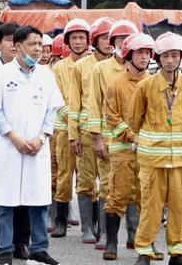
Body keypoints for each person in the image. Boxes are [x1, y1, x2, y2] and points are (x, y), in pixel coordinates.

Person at [0, 26, 65, 265]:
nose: (38, 49)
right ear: (18, 47)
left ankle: (39, 250)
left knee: (39, 199)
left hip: (37, 147)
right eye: (33, 44)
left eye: (40, 44)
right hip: (11, 146)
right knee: (6, 200)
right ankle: (5, 251)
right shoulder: (1, 73)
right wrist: (14, 137)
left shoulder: (46, 75)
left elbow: (53, 110)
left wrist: (42, 138)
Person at [127, 33, 182, 265]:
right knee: (151, 205)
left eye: (175, 56)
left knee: (180, 206)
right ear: (157, 59)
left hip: (180, 160)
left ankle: (178, 251)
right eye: (166, 56)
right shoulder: (146, 85)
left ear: (181, 58)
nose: (170, 61)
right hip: (153, 159)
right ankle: (144, 250)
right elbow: (134, 118)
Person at [102, 34, 158, 259]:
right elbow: (112, 118)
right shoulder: (116, 85)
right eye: (140, 53)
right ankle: (111, 243)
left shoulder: (154, 83)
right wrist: (132, 137)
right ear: (129, 55)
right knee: (117, 195)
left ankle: (145, 242)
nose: (144, 57)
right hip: (123, 152)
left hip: (147, 151)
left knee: (147, 197)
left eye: (147, 53)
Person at [87, 19, 139, 249]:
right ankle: (109, 238)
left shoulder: (144, 72)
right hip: (111, 139)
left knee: (137, 188)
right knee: (110, 186)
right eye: (119, 40)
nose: (122, 44)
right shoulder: (101, 70)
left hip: (138, 142)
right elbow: (95, 105)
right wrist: (97, 138)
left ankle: (134, 235)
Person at [69, 16, 114, 243]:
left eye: (112, 38)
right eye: (104, 38)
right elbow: (74, 104)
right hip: (86, 135)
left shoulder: (119, 66)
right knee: (86, 182)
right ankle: (87, 228)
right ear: (94, 41)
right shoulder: (80, 67)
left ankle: (105, 232)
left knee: (107, 183)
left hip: (110, 135)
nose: (109, 42)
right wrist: (72, 136)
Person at [51, 18, 90, 236]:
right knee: (64, 175)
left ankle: (90, 224)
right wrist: (73, 121)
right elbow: (59, 99)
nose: (77, 42)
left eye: (81, 38)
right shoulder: (59, 68)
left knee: (87, 177)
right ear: (67, 41)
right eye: (74, 38)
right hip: (65, 130)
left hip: (87, 130)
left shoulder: (94, 65)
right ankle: (60, 221)